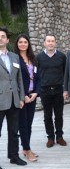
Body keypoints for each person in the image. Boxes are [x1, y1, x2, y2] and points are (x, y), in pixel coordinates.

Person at [0, 27, 27, 169]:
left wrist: (21, 97)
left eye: (3, 36)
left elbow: (19, 80)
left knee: (13, 130)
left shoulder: (14, 57)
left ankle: (14, 156)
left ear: (7, 40)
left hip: (14, 100)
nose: (0, 38)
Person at [36, 34, 67, 148]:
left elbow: (65, 73)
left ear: (55, 42)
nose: (50, 43)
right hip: (45, 90)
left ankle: (59, 136)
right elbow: (36, 75)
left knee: (59, 115)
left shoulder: (62, 56)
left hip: (58, 89)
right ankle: (50, 137)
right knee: (47, 115)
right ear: (44, 43)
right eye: (48, 41)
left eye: (52, 41)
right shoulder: (38, 57)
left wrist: (65, 89)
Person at [14, 34, 41, 162]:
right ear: (17, 44)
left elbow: (39, 77)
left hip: (32, 95)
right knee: (23, 125)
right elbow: (14, 80)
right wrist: (23, 95)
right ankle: (27, 149)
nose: (23, 44)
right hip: (22, 97)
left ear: (28, 44)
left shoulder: (33, 58)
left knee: (29, 124)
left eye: (25, 42)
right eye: (21, 42)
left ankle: (26, 148)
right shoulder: (14, 59)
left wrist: (36, 93)